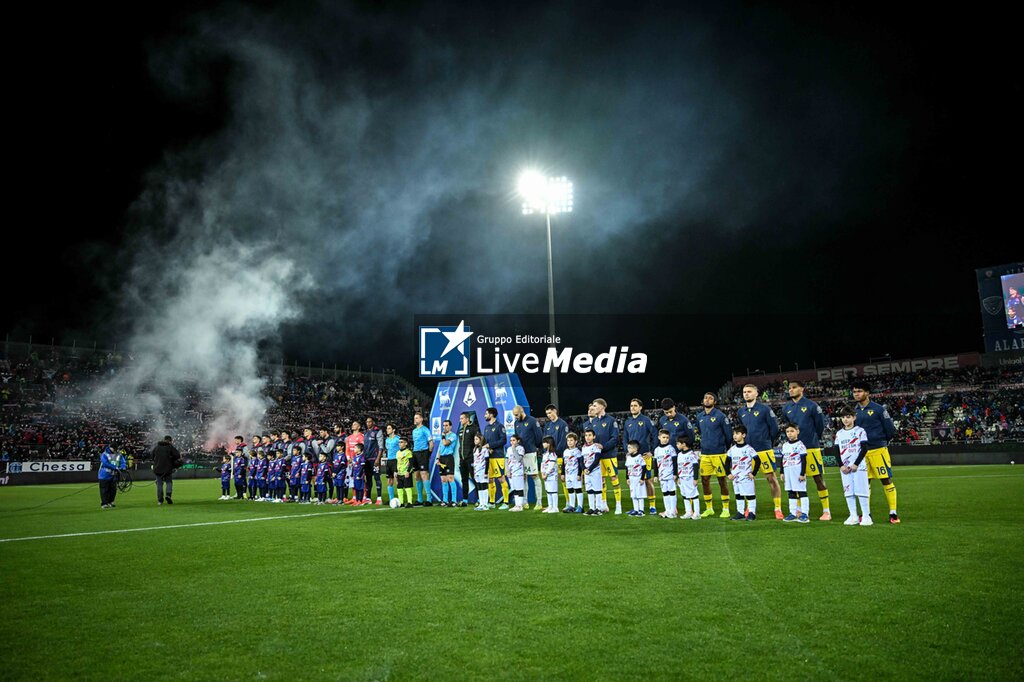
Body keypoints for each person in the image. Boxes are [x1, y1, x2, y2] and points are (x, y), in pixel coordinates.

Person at [782, 380, 830, 521]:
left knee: (818, 478)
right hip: (793, 451)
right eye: (789, 388)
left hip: (811, 447)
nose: (791, 390)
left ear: (802, 389)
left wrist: (813, 439)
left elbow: (820, 426)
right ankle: (797, 510)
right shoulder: (786, 408)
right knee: (795, 481)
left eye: (794, 387)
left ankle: (826, 510)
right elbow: (788, 425)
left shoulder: (812, 406)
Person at [852, 382, 899, 524]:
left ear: (867, 393)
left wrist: (881, 442)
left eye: (859, 391)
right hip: (862, 453)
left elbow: (890, 430)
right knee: (864, 483)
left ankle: (893, 513)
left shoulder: (878, 409)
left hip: (878, 450)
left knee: (886, 479)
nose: (856, 394)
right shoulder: (853, 411)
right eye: (854, 392)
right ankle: (866, 514)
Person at [737, 384, 783, 519]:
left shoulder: (764, 409)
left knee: (771, 478)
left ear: (756, 393)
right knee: (747, 481)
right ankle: (749, 508)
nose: (746, 394)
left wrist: (767, 441)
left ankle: (778, 508)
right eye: (744, 392)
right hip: (747, 452)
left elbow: (774, 429)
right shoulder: (741, 412)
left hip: (764, 449)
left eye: (749, 392)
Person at [695, 393, 732, 518]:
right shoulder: (699, 416)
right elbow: (700, 432)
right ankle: (709, 508)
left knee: (722, 481)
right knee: (705, 481)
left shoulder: (720, 416)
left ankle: (725, 509)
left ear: (715, 402)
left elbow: (728, 435)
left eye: (710, 398)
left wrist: (722, 448)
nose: (707, 399)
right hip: (705, 454)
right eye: (705, 397)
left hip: (719, 454)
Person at [835, 406, 872, 526]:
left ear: (854, 417)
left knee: (862, 491)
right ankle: (853, 515)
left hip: (858, 466)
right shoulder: (839, 433)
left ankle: (866, 516)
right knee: (848, 492)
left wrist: (856, 463)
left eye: (848, 417)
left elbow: (864, 448)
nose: (845, 419)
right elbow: (836, 450)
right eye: (843, 417)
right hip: (845, 468)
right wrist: (841, 465)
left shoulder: (860, 431)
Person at [624, 398, 658, 514]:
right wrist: (626, 451)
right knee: (633, 481)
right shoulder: (627, 422)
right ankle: (636, 507)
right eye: (631, 405)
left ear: (640, 407)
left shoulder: (646, 420)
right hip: (632, 457)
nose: (633, 407)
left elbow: (655, 434)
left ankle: (652, 506)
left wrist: (651, 451)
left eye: (635, 405)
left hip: (644, 456)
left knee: (647, 481)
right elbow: (625, 438)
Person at [590, 399, 622, 515]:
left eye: (595, 405)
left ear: (602, 407)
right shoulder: (594, 422)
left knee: (614, 478)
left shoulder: (611, 420)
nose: (593, 407)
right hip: (599, 457)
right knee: (601, 480)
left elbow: (614, 438)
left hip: (609, 455)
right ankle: (604, 504)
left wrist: (603, 446)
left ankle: (618, 505)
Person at [513, 405, 545, 510]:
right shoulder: (516, 423)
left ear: (522, 412)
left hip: (530, 452)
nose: (516, 417)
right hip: (521, 454)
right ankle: (524, 501)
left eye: (517, 415)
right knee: (524, 477)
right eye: (514, 415)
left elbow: (539, 436)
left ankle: (539, 502)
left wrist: (534, 447)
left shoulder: (532, 421)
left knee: (534, 476)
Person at [726, 425, 760, 521]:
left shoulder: (749, 448)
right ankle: (740, 512)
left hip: (746, 477)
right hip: (735, 477)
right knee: (738, 495)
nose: (734, 436)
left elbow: (758, 461)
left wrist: (753, 473)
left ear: (743, 435)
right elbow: (727, 462)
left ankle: (752, 512)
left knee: (750, 495)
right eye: (733, 434)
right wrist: (728, 473)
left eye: (737, 433)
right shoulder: (732, 449)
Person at [780, 424, 809, 523]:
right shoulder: (785, 445)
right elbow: (783, 459)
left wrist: (802, 473)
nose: (789, 433)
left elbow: (804, 460)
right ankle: (793, 513)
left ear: (797, 431)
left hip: (797, 471)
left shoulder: (800, 445)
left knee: (801, 492)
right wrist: (781, 472)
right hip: (788, 471)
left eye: (792, 431)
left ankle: (804, 513)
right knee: (790, 492)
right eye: (787, 431)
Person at [543, 404, 571, 504]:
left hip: (559, 456)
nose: (548, 415)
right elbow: (545, 441)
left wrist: (554, 453)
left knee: (563, 479)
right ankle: (552, 504)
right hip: (550, 457)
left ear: (555, 411)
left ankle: (569, 502)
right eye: (547, 414)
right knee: (550, 479)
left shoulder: (563, 424)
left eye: (550, 413)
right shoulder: (547, 426)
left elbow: (563, 441)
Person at [482, 407, 509, 508]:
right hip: (489, 457)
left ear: (491, 414)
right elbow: (485, 442)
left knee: (501, 478)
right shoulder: (486, 428)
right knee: (490, 479)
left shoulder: (499, 426)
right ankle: (492, 502)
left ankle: (506, 502)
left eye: (486, 413)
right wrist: (486, 448)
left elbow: (503, 440)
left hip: (498, 456)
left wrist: (490, 446)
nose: (485, 415)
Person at [653, 430, 678, 518]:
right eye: (664, 437)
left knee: (672, 492)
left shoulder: (671, 448)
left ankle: (673, 511)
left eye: (667, 438)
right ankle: (667, 510)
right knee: (665, 493)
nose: (665, 439)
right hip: (662, 475)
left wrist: (675, 474)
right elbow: (655, 463)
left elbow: (675, 462)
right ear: (659, 437)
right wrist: (655, 475)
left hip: (670, 474)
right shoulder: (656, 450)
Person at [151, 435, 182, 506]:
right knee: (169, 482)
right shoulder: (170, 447)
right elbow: (177, 455)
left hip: (158, 469)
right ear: (170, 441)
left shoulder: (157, 447)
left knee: (159, 485)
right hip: (167, 469)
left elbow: (152, 455)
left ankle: (160, 501)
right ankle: (168, 495)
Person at [411, 413, 434, 506]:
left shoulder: (425, 430)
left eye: (416, 418)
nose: (415, 420)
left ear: (421, 419)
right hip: (415, 453)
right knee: (417, 476)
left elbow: (431, 443)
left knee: (424, 474)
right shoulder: (414, 431)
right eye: (414, 418)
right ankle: (420, 499)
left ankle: (429, 498)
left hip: (423, 452)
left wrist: (427, 454)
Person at [457, 412, 479, 507]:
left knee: (475, 478)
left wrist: (474, 455)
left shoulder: (474, 428)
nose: (460, 420)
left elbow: (478, 443)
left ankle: (479, 499)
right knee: (464, 480)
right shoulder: (461, 430)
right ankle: (465, 500)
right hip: (462, 459)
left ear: (467, 419)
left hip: (471, 459)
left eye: (462, 418)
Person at [676, 437, 701, 520]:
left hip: (689, 477)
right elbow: (679, 467)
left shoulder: (691, 454)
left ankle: (697, 513)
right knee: (684, 495)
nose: (677, 445)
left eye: (678, 443)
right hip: (682, 478)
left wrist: (695, 478)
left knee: (693, 495)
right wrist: (679, 477)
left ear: (684, 444)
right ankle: (688, 512)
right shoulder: (679, 455)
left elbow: (695, 466)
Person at [581, 428, 604, 516]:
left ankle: (598, 508)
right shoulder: (583, 447)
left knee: (597, 490)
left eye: (590, 435)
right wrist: (584, 469)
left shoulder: (596, 447)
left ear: (594, 436)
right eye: (586, 435)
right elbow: (582, 460)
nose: (587, 437)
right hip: (587, 472)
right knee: (589, 490)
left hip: (595, 471)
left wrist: (589, 469)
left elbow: (597, 459)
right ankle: (591, 508)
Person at [437, 419, 459, 507]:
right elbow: (440, 447)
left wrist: (443, 437)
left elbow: (446, 443)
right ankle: (445, 500)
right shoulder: (442, 436)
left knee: (450, 478)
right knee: (443, 480)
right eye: (443, 425)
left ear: (450, 426)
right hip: (442, 458)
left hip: (449, 458)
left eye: (446, 425)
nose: (444, 427)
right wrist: (438, 459)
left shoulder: (453, 435)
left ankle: (454, 500)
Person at [363, 417, 385, 505]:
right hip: (366, 459)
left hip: (374, 459)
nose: (368, 423)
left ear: (373, 422)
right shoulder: (365, 433)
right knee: (368, 478)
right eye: (367, 422)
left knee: (377, 477)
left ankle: (379, 498)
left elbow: (381, 446)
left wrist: (378, 458)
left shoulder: (377, 431)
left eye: (370, 422)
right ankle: (368, 498)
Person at [98, 444, 126, 509]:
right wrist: (115, 467)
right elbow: (105, 463)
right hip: (104, 475)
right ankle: (104, 503)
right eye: (114, 448)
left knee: (113, 489)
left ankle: (111, 502)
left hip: (114, 475)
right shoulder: (104, 454)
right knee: (104, 490)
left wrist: (123, 467)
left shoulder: (119, 454)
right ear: (110, 447)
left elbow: (123, 462)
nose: (115, 450)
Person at [562, 432, 583, 513]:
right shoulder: (565, 451)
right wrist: (563, 473)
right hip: (568, 474)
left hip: (575, 473)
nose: (569, 442)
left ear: (576, 441)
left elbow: (580, 464)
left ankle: (580, 506)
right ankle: (572, 506)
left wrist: (579, 474)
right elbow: (564, 464)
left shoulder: (577, 451)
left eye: (571, 440)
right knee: (570, 489)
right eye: (568, 440)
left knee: (578, 489)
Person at [624, 440, 647, 517]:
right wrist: (627, 478)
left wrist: (642, 478)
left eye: (630, 448)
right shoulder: (628, 457)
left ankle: (641, 510)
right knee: (633, 494)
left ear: (635, 449)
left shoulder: (639, 457)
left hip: (638, 478)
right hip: (631, 478)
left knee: (640, 494)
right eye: (628, 447)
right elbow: (627, 468)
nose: (628, 449)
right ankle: (636, 509)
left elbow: (644, 468)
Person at [505, 434, 526, 512]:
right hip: (511, 472)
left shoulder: (520, 448)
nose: (512, 442)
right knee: (514, 489)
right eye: (511, 440)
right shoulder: (508, 449)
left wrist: (514, 449)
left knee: (519, 488)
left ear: (518, 441)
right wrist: (507, 471)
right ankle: (516, 505)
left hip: (518, 471)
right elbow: (506, 460)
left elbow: (518, 459)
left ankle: (520, 505)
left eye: (514, 440)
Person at [540, 436, 561, 514]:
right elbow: (542, 464)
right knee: (548, 491)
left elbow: (551, 466)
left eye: (544, 442)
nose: (543, 444)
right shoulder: (545, 454)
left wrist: (546, 473)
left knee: (553, 491)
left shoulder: (553, 454)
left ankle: (555, 507)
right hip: (546, 475)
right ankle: (550, 506)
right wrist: (542, 473)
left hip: (552, 476)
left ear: (548, 443)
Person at [472, 433, 491, 511]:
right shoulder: (475, 449)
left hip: (483, 471)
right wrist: (474, 471)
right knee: (479, 487)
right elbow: (475, 462)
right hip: (477, 471)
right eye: (474, 439)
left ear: (481, 440)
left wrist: (486, 472)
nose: (475, 441)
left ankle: (485, 504)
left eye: (476, 439)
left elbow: (487, 461)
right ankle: (481, 503)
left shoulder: (484, 450)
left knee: (484, 486)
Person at [384, 423, 400, 504]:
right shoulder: (386, 440)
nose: (387, 430)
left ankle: (400, 499)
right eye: (387, 428)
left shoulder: (398, 439)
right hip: (389, 461)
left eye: (389, 428)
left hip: (396, 460)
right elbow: (387, 449)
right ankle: (391, 499)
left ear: (393, 430)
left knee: (397, 479)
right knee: (389, 481)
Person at [396, 437, 414, 508]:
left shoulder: (408, 452)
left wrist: (408, 471)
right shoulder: (397, 453)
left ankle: (410, 502)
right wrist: (395, 471)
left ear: (406, 443)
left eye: (401, 442)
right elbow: (397, 462)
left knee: (407, 487)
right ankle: (401, 502)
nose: (400, 444)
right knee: (399, 488)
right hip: (399, 473)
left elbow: (411, 462)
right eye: (399, 442)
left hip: (406, 473)